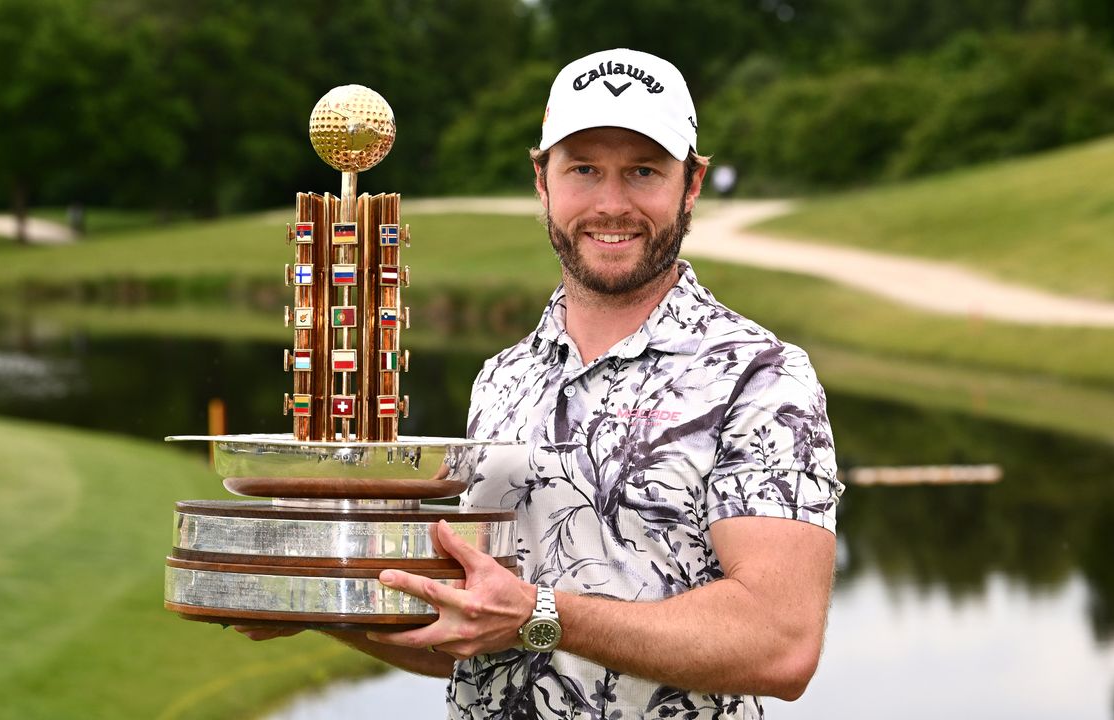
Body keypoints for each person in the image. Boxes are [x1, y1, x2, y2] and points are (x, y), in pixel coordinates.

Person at [241, 48, 842, 719]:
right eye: (583, 169)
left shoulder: (761, 376)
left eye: (643, 171)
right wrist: (321, 602)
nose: (611, 205)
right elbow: (477, 634)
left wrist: (538, 613)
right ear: (542, 179)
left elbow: (780, 645)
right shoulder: (502, 380)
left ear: (692, 183)